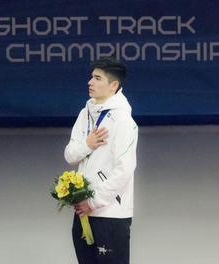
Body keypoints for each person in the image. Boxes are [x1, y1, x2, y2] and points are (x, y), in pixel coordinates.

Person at [64, 56, 138, 264]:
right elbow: (70, 155)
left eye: (97, 78)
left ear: (113, 85)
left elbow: (125, 169)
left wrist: (94, 202)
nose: (90, 82)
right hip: (83, 211)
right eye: (91, 77)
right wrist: (87, 144)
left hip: (110, 214)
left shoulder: (123, 121)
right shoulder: (85, 113)